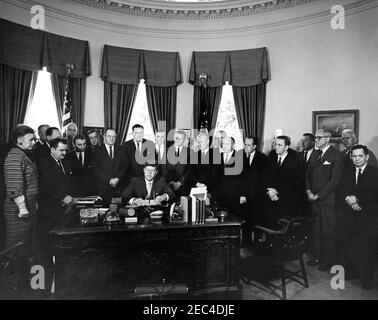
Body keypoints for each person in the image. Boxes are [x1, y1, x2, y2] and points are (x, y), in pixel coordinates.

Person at [3, 126, 38, 292]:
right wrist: (23, 208)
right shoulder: (14, 156)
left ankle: (22, 286)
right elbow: (14, 185)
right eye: (31, 139)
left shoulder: (22, 155)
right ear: (20, 141)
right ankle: (15, 288)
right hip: (18, 212)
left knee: (24, 247)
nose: (34, 142)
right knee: (17, 248)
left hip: (26, 209)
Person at [337, 145, 378, 289]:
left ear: (366, 157)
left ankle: (367, 279)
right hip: (349, 215)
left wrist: (357, 199)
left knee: (367, 249)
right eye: (354, 156)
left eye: (360, 156)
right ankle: (351, 272)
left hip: (368, 218)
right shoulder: (346, 171)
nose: (357, 159)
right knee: (349, 245)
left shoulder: (374, 173)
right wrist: (348, 198)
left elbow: (374, 194)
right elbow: (340, 189)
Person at [306, 129, 344, 271]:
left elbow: (334, 182)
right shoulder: (315, 153)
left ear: (328, 139)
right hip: (313, 198)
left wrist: (318, 195)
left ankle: (327, 260)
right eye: (316, 137)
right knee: (316, 230)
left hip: (327, 200)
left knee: (327, 232)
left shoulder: (337, 156)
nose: (316, 140)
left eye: (319, 138)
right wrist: (308, 190)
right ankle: (317, 256)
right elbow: (307, 175)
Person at [264, 135, 300, 226]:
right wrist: (270, 190)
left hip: (286, 199)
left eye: (279, 145)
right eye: (275, 144)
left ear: (287, 147)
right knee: (270, 223)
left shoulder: (295, 158)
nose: (276, 147)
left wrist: (277, 192)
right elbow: (266, 175)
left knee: (284, 226)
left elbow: (294, 182)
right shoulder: (272, 154)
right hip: (271, 196)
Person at [239, 136, 268, 244]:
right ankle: (246, 242)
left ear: (255, 146)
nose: (246, 147)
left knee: (257, 221)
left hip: (257, 197)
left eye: (249, 145)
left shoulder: (263, 158)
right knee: (245, 220)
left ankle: (257, 244)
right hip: (243, 196)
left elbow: (264, 179)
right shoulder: (238, 156)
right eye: (245, 144)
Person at [92, 128, 128, 205]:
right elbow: (96, 169)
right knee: (104, 211)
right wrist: (109, 180)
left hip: (119, 187)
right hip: (103, 187)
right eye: (109, 136)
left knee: (118, 210)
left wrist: (117, 178)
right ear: (104, 136)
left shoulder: (121, 149)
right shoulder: (97, 150)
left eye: (114, 136)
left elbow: (125, 166)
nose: (111, 139)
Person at [214, 136, 243, 217]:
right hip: (220, 195)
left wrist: (243, 194)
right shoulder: (218, 156)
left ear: (233, 145)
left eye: (227, 144)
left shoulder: (240, 157)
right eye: (223, 144)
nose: (224, 146)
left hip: (234, 195)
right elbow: (215, 176)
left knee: (233, 218)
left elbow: (244, 178)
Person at [190, 132, 220, 200]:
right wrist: (197, 184)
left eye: (201, 142)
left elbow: (216, 174)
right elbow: (192, 173)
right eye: (198, 142)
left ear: (208, 142)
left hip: (211, 190)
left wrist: (205, 185)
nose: (199, 144)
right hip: (196, 188)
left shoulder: (216, 155)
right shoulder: (194, 156)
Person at [165, 130, 191, 197]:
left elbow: (189, 170)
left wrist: (179, 183)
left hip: (183, 187)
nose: (178, 141)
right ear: (174, 138)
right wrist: (171, 182)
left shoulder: (190, 152)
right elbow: (163, 169)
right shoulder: (166, 151)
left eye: (181, 139)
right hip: (168, 186)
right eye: (176, 138)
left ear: (184, 140)